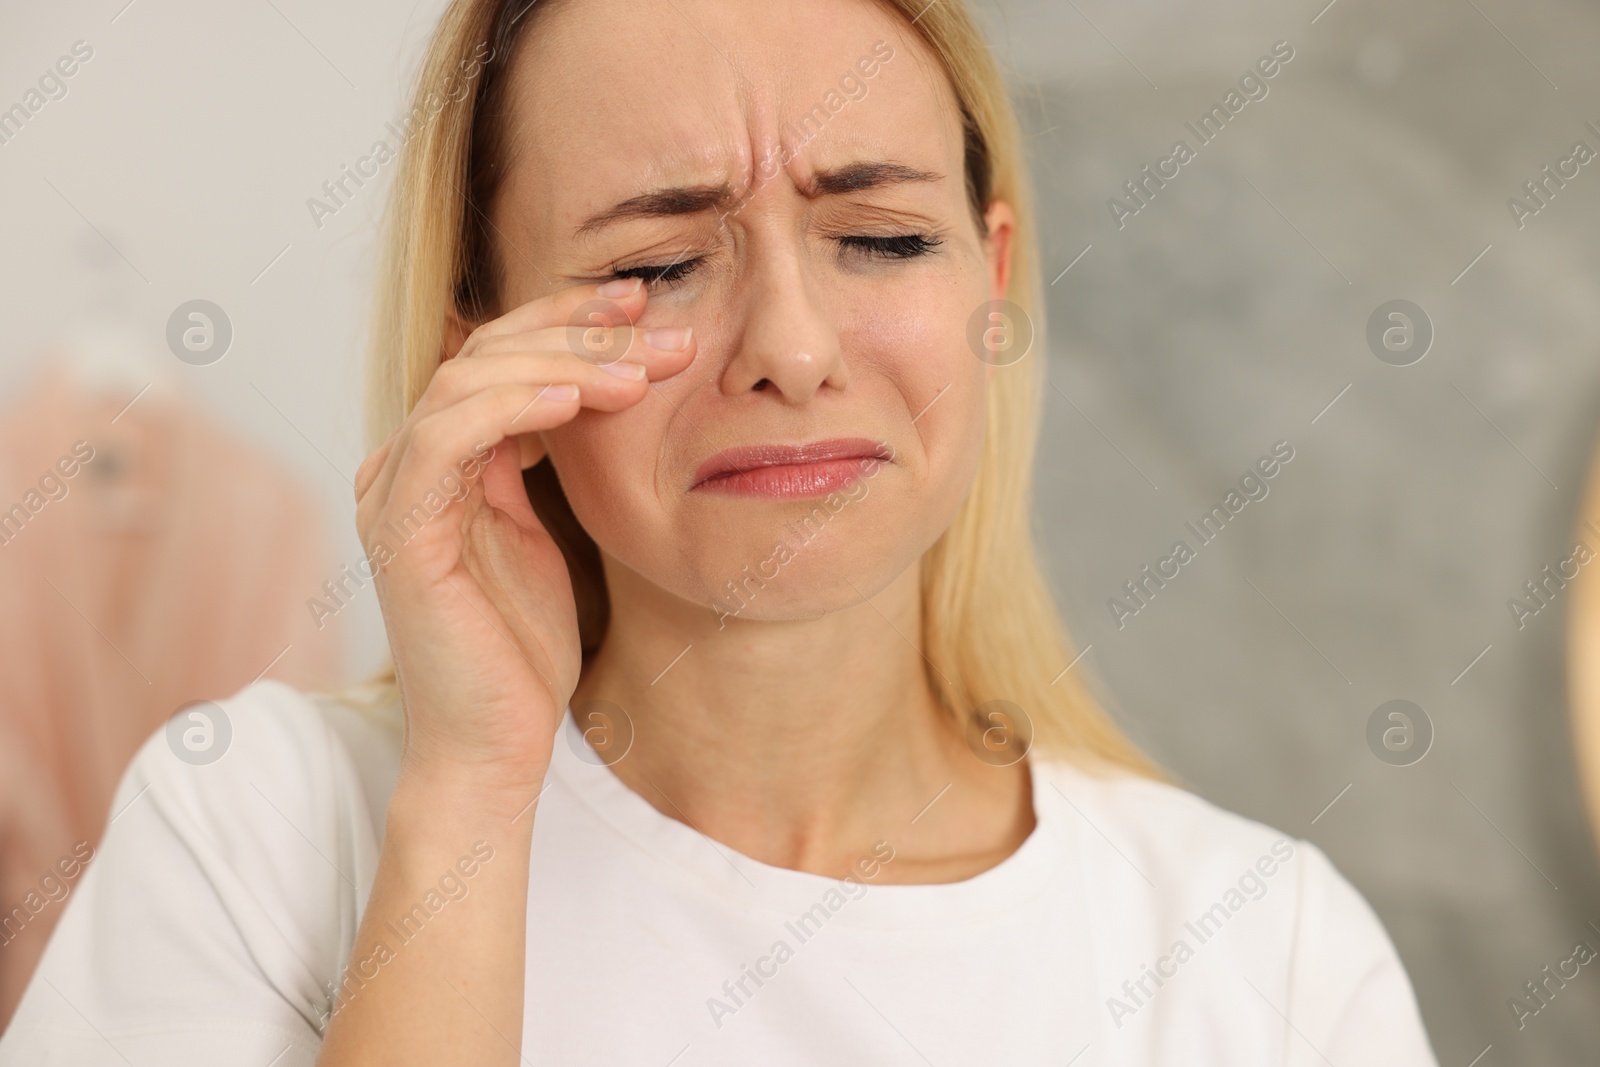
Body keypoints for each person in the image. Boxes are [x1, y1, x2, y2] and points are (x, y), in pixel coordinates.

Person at [0, 0, 1439, 1063]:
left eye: (880, 238)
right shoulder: (250, 830)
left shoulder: (1268, 958)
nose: (794, 349)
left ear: (990, 283)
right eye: (661, 264)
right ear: (487, 353)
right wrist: (470, 792)